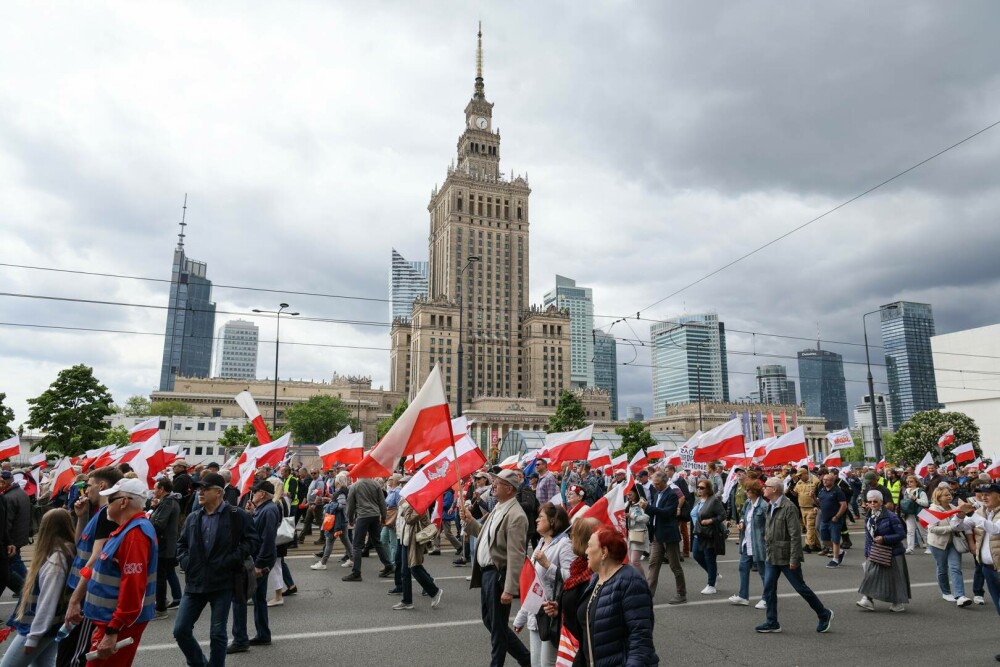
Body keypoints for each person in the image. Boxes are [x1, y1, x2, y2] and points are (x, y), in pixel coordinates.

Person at [174, 471, 259, 666]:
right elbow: (181, 545)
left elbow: (253, 540)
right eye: (198, 489)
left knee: (217, 633)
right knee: (180, 630)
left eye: (205, 489)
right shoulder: (194, 517)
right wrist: (186, 562)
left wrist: (232, 559)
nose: (199, 493)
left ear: (219, 493)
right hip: (195, 583)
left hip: (222, 582)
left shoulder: (237, 515)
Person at [77, 478, 158, 665]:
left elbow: (133, 587)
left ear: (123, 502)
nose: (106, 505)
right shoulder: (127, 530)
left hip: (117, 624)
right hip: (111, 621)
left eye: (110, 499)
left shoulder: (134, 535)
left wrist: (113, 630)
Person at [462, 469, 530, 667]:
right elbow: (484, 535)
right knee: (490, 621)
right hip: (486, 573)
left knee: (498, 628)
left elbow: (516, 555)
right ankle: (526, 658)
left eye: (497, 483)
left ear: (509, 489)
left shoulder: (516, 515)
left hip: (497, 574)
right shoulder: (499, 507)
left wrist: (509, 589)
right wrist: (469, 521)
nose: (493, 486)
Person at [58, 466, 123, 667]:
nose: (86, 490)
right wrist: (81, 516)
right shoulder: (99, 512)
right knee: (67, 651)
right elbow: (81, 546)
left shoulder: (107, 515)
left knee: (75, 657)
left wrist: (76, 599)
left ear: (102, 485)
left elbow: (95, 559)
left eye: (89, 485)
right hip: (79, 587)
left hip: (87, 593)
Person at [756, 477, 833, 633]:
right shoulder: (769, 506)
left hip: (786, 556)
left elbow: (795, 536)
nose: (763, 488)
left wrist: (794, 558)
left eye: (766, 486)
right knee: (768, 588)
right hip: (772, 555)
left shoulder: (789, 507)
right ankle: (772, 622)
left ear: (775, 489)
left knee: (800, 588)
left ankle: (823, 613)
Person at [574, 526, 659, 666]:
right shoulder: (596, 578)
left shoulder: (631, 582)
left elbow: (640, 638)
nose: (586, 551)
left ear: (604, 552)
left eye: (589, 546)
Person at [0, 510, 75, 667]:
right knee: (43, 664)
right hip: (53, 626)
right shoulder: (67, 550)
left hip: (36, 627)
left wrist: (33, 638)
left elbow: (47, 602)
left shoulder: (56, 560)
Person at [513, 502, 573, 667]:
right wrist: (521, 617)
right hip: (536, 614)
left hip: (551, 614)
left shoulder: (565, 545)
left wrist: (549, 565)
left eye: (541, 517)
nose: (537, 520)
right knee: (536, 664)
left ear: (553, 521)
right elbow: (534, 585)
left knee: (547, 664)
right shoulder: (540, 543)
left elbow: (572, 579)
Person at [541, 517, 601, 666]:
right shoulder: (578, 568)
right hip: (571, 642)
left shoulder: (593, 576)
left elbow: (585, 611)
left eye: (572, 535)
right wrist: (559, 608)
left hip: (582, 648)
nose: (569, 539)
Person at [229, 480, 279, 653]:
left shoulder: (269, 511)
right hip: (260, 559)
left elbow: (267, 539)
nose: (253, 494)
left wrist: (260, 565)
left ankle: (243, 638)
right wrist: (252, 513)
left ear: (262, 494)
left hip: (260, 560)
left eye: (255, 491)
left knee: (241, 596)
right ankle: (263, 634)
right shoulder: (264, 509)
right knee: (258, 598)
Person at [857, 489, 911, 612]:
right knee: (871, 576)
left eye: (875, 501)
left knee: (894, 579)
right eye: (869, 501)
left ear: (881, 502)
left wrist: (884, 539)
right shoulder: (869, 516)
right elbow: (868, 537)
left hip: (892, 552)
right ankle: (868, 600)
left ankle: (897, 603)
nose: (872, 504)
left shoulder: (891, 516)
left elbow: (901, 534)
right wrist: (867, 552)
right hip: (876, 552)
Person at [640, 471, 685, 604]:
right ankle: (649, 593)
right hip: (657, 534)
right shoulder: (656, 493)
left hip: (669, 535)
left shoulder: (671, 495)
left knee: (675, 566)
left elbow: (666, 513)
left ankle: (681, 593)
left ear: (665, 482)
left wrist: (648, 507)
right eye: (654, 483)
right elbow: (655, 510)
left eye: (658, 484)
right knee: (653, 564)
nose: (655, 486)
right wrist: (647, 509)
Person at [392, 497, 443, 611]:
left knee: (414, 568)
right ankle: (407, 601)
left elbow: (409, 519)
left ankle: (434, 591)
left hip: (415, 541)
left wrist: (404, 505)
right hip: (405, 540)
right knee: (405, 571)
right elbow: (402, 519)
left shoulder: (421, 503)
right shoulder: (410, 502)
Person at [925, 485, 971, 607]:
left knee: (955, 568)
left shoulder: (954, 507)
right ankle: (945, 592)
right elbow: (931, 529)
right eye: (946, 495)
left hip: (954, 542)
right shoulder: (931, 509)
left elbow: (961, 522)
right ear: (938, 498)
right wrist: (951, 528)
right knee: (942, 568)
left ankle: (960, 595)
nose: (949, 496)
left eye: (950, 494)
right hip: (937, 544)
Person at [342, 477, 393, 582]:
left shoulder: (355, 486)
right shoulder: (375, 484)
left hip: (363, 516)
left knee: (357, 545)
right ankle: (388, 565)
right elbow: (382, 502)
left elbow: (350, 505)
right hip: (375, 515)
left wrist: (350, 519)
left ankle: (356, 573)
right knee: (377, 542)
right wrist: (383, 516)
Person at [731, 479, 767, 608]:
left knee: (763, 571)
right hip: (747, 541)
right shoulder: (748, 503)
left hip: (758, 543)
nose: (745, 492)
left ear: (755, 492)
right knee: (743, 567)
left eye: (748, 490)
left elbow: (768, 525)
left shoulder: (763, 506)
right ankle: (743, 596)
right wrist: (741, 522)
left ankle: (766, 598)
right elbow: (743, 515)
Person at [149, 478, 181, 619]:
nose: (153, 491)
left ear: (162, 489)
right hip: (165, 545)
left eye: (155, 488)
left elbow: (159, 524)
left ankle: (161, 608)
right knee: (164, 575)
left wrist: (148, 522)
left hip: (164, 546)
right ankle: (166, 600)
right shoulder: (167, 502)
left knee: (160, 577)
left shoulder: (168, 502)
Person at [690, 476, 726, 595]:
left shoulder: (714, 500)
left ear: (708, 489)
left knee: (709, 558)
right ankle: (714, 575)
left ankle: (711, 585)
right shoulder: (697, 500)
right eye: (698, 487)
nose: (699, 490)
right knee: (696, 555)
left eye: (702, 488)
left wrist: (711, 520)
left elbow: (722, 515)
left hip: (709, 533)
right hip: (698, 533)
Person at [1, 470, 32, 597]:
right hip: (19, 535)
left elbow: (6, 522)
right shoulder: (20, 492)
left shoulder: (8, 497)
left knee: (11, 566)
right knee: (13, 564)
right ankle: (26, 588)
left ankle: (27, 589)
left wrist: (8, 541)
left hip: (13, 537)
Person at [815, 473, 848, 568]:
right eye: (824, 479)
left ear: (832, 481)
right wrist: (813, 497)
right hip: (825, 519)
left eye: (827, 480)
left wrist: (837, 516)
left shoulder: (837, 491)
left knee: (835, 540)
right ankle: (840, 552)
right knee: (824, 539)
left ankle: (835, 559)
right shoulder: (822, 490)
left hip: (835, 520)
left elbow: (844, 505)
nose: (824, 481)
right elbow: (819, 503)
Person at [789, 467, 821, 553]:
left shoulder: (815, 481)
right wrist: (793, 492)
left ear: (805, 474)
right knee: (808, 527)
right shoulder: (799, 482)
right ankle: (816, 545)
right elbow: (796, 493)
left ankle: (808, 545)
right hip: (802, 507)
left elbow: (819, 493)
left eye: (801, 475)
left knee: (810, 527)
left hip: (811, 507)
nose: (799, 477)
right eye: (798, 475)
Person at [899, 475, 929, 554]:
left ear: (916, 482)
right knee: (910, 531)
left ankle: (929, 547)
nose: (909, 483)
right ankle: (910, 548)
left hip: (920, 513)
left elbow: (926, 503)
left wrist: (915, 499)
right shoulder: (906, 491)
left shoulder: (921, 491)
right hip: (909, 514)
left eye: (911, 481)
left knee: (923, 531)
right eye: (908, 482)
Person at [625, 485, 649, 577]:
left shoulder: (642, 503)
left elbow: (646, 518)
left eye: (630, 494)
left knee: (635, 561)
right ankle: (635, 580)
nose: (629, 497)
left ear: (636, 493)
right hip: (629, 534)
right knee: (630, 561)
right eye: (627, 495)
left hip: (639, 534)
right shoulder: (628, 503)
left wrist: (632, 516)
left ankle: (643, 581)